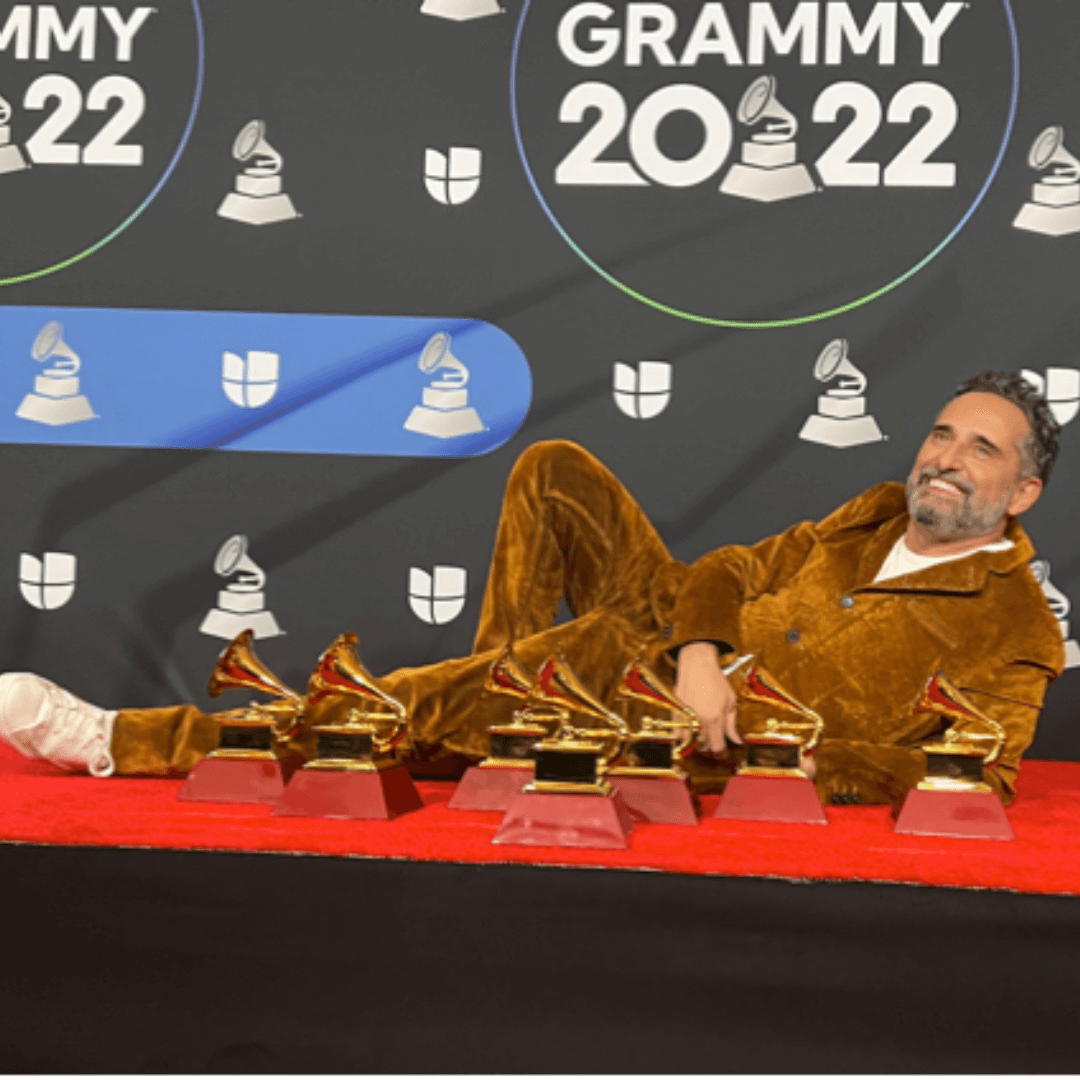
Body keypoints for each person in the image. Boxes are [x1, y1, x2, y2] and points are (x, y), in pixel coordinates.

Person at [0, 372, 1066, 805]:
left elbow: (986, 773)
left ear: (1020, 491)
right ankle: (500, 718)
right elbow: (736, 571)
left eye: (980, 451)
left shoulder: (1016, 624)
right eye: (940, 432)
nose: (944, 458)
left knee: (403, 704)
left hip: (697, 727)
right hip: (677, 645)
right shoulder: (874, 507)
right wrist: (701, 657)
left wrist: (759, 736)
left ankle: (124, 740)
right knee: (555, 468)